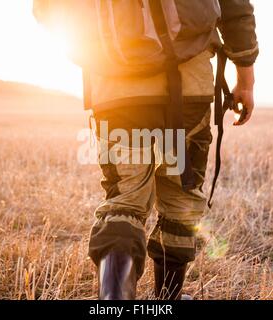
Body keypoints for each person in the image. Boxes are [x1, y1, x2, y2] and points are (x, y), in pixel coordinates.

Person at [86, 0, 258, 300]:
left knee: (123, 201)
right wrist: (246, 79)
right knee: (180, 198)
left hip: (115, 91)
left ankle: (115, 304)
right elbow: (235, 8)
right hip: (188, 88)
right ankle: (168, 300)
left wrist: (99, 50)